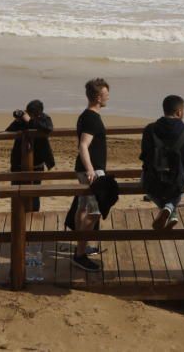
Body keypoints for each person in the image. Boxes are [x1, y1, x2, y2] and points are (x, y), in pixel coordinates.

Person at [70, 78, 110, 272]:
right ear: (97, 97)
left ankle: (81, 246)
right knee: (94, 212)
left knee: (83, 208)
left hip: (86, 169)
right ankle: (79, 254)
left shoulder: (85, 115)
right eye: (105, 93)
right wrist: (91, 170)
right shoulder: (92, 118)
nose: (108, 96)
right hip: (92, 170)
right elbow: (83, 145)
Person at [140, 95, 184, 230]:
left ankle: (168, 209)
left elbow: (145, 157)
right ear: (179, 112)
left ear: (164, 110)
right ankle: (170, 208)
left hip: (152, 180)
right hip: (176, 179)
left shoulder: (150, 129)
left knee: (144, 181)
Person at [4, 99, 55, 212]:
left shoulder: (45, 119)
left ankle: (33, 215)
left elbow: (48, 128)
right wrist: (18, 120)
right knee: (16, 191)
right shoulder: (23, 120)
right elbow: (8, 131)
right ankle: (17, 214)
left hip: (37, 163)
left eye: (31, 113)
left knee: (35, 192)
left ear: (38, 113)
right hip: (18, 162)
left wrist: (30, 121)